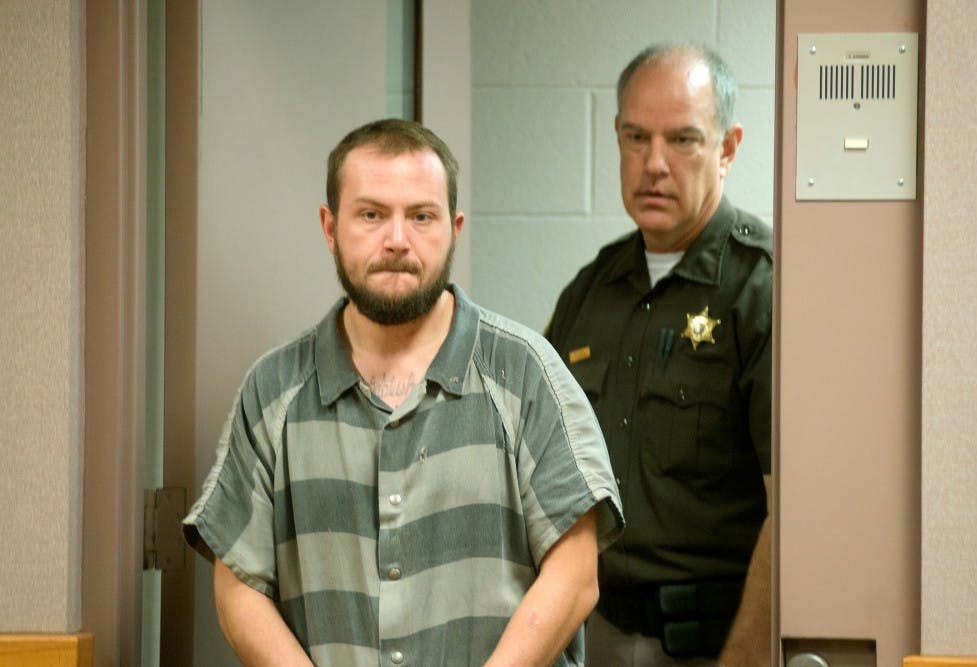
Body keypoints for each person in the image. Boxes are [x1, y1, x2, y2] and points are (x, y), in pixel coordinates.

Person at [182, 118, 624, 667]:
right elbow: (238, 588)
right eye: (371, 214)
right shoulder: (273, 391)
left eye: (421, 216)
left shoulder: (528, 374)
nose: (397, 239)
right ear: (329, 227)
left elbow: (576, 576)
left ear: (454, 227)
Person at [545, 45, 772, 666]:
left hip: (714, 644)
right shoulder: (589, 291)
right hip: (597, 636)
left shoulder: (762, 288)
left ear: (727, 148)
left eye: (683, 140)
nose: (654, 164)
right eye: (635, 137)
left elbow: (790, 516)